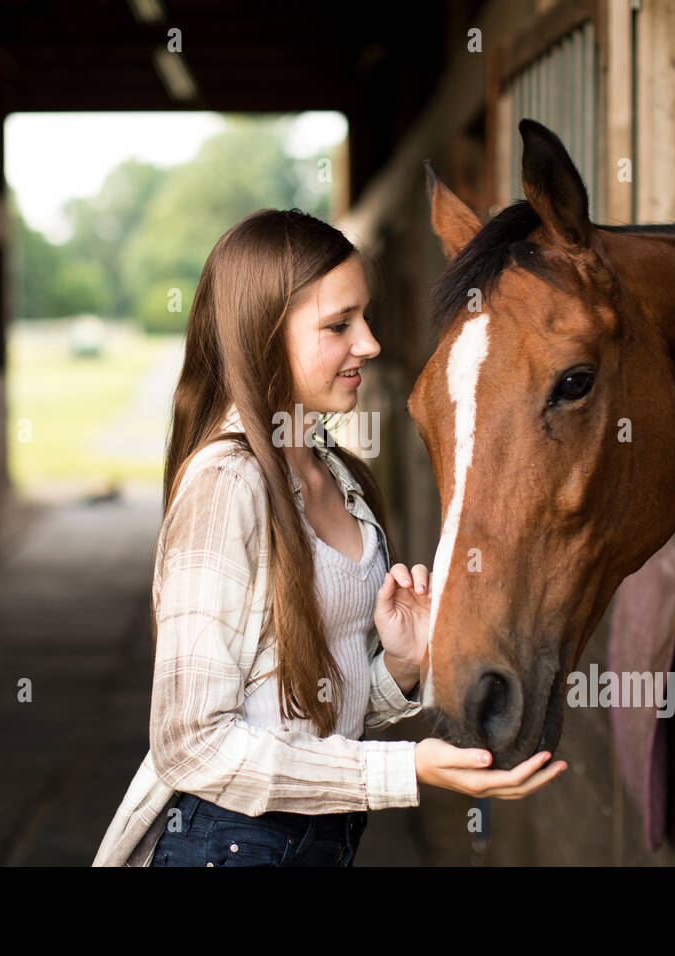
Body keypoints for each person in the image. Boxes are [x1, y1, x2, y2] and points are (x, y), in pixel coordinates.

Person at [91, 208, 566, 868]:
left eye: (363, 318)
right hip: (226, 844)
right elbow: (191, 742)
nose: (369, 343)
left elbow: (305, 720)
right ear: (263, 335)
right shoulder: (227, 486)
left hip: (318, 841)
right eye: (339, 325)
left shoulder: (337, 472)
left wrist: (397, 665)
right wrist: (403, 772)